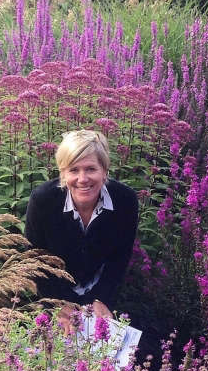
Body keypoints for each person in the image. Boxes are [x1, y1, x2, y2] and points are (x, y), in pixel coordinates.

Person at [25, 130, 139, 328]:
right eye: (73, 170)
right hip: (55, 290)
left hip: (103, 289)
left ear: (104, 171)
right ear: (63, 173)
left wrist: (102, 299)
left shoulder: (125, 200)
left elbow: (120, 257)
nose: (83, 178)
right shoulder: (43, 200)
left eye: (91, 169)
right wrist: (60, 303)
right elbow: (35, 259)